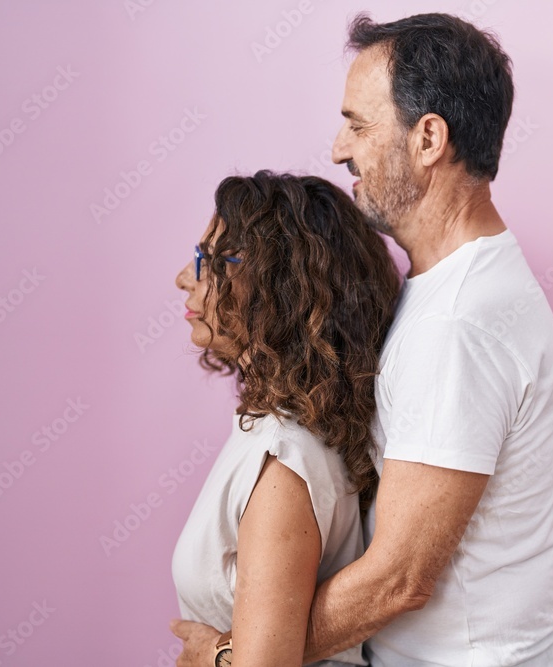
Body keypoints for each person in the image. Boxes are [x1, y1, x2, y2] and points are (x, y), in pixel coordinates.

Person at [172, 12, 553, 666]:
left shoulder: (461, 323)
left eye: (359, 125)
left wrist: (236, 654)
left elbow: (399, 578)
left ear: (428, 138)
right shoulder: (444, 289)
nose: (339, 149)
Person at [171, 170, 401, 666]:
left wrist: (211, 658)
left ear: (280, 286)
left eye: (211, 262)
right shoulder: (280, 430)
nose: (185, 279)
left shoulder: (285, 460)